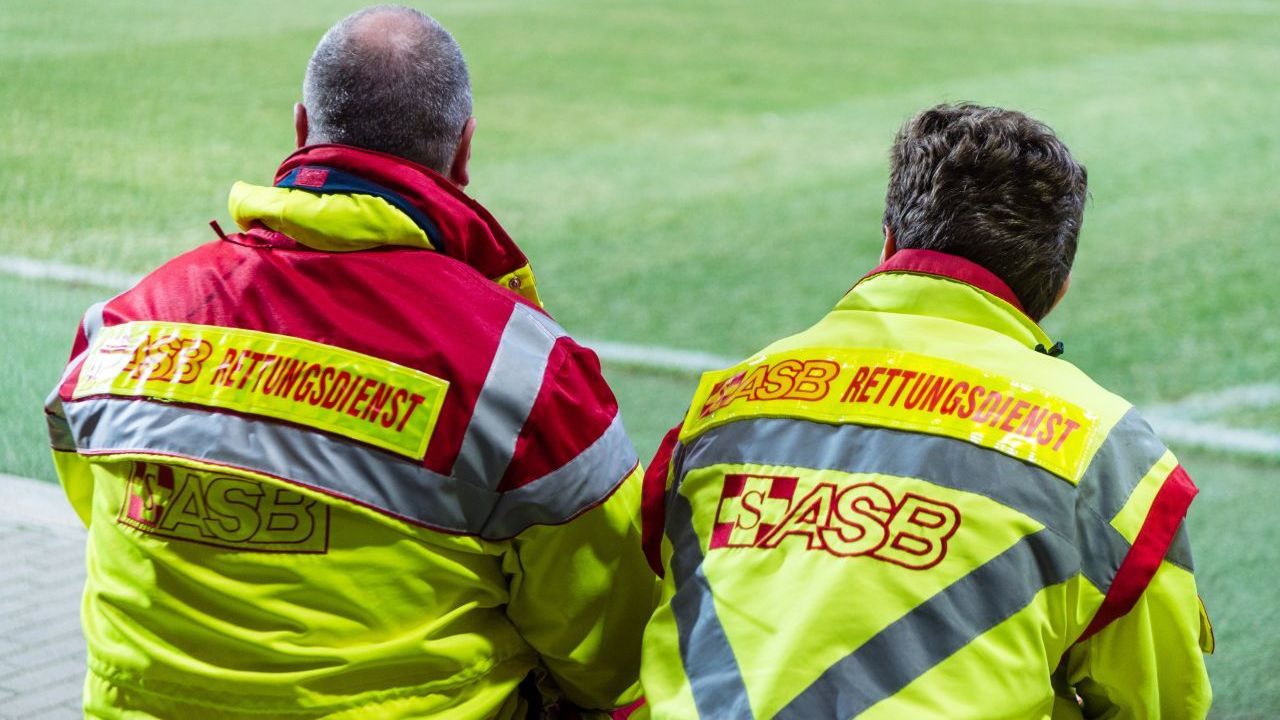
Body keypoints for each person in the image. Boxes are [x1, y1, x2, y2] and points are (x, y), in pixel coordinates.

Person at [45, 6, 655, 719]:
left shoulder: (120, 325)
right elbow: (613, 658)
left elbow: (104, 510)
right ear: (462, 153)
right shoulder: (524, 377)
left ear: (302, 129)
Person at [637, 104, 1213, 719]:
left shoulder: (726, 402)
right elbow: (1160, 704)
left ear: (887, 242)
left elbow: (638, 612)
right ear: (1058, 286)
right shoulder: (1106, 451)